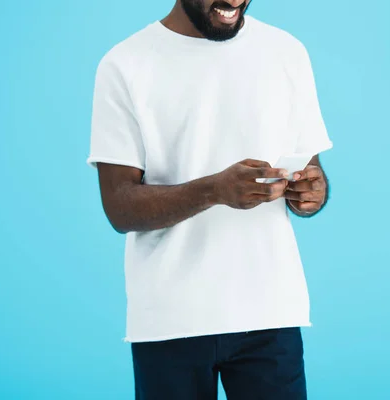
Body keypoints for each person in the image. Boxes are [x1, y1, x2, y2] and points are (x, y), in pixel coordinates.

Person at [87, 0, 333, 398]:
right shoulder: (125, 64)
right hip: (170, 319)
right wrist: (214, 190)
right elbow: (119, 206)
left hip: (270, 310)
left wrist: (311, 192)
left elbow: (311, 170)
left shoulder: (287, 52)